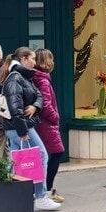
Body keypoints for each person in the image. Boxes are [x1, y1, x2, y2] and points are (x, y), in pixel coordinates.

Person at [0, 47, 61, 212]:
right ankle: (41, 196)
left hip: (19, 127)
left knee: (17, 161)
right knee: (39, 156)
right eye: (33, 59)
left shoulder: (23, 77)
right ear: (24, 59)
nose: (35, 62)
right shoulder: (15, 78)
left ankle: (9, 195)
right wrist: (22, 131)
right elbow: (15, 108)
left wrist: (35, 106)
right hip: (20, 127)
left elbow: (38, 96)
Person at [33, 48, 66, 202]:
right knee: (56, 153)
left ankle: (43, 189)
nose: (53, 62)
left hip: (41, 123)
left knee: (44, 155)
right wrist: (55, 117)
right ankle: (46, 189)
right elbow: (45, 104)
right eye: (50, 59)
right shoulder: (43, 80)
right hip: (46, 124)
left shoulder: (37, 77)